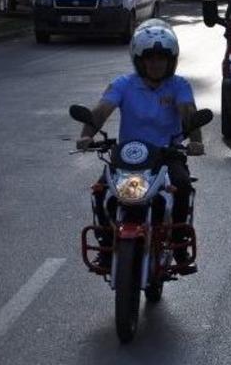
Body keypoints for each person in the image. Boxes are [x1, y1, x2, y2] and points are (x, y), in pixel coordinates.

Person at [76, 19, 204, 274]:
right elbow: (101, 110)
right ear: (139, 59)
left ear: (172, 60)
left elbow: (188, 113)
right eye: (150, 58)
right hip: (129, 156)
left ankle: (178, 246)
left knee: (182, 185)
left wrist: (196, 141)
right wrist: (86, 136)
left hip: (168, 155)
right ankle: (106, 245)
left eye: (162, 58)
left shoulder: (179, 85)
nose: (156, 63)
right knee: (102, 193)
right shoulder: (123, 84)